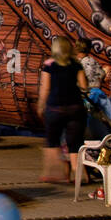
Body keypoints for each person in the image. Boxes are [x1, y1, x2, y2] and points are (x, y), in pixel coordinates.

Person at [37, 36, 88, 184]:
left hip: (55, 108)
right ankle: (79, 174)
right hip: (75, 107)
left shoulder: (49, 65)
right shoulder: (76, 65)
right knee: (75, 143)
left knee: (52, 141)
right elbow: (84, 86)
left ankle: (53, 173)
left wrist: (41, 105)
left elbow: (45, 88)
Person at [75, 39, 111, 125]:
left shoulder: (78, 63)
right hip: (97, 95)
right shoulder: (93, 61)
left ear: (76, 48)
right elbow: (102, 74)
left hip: (86, 96)